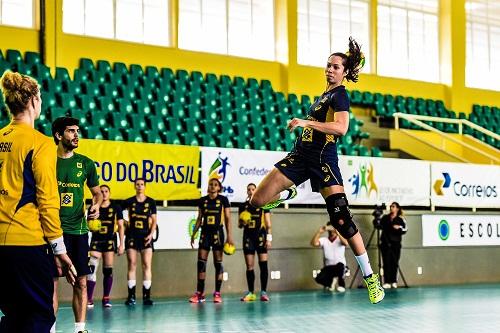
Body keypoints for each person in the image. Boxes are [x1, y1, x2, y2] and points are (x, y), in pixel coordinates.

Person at [249, 37, 385, 304]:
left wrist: (304, 123)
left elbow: (341, 128)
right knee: (257, 201)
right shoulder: (322, 97)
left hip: (323, 160)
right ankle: (288, 193)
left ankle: (371, 278)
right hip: (300, 156)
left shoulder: (340, 94)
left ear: (344, 72)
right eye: (328, 65)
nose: (330, 69)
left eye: (336, 67)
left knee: (341, 219)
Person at [0, 71, 76, 333]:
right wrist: (60, 250)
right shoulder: (40, 144)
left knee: (12, 317)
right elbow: (47, 201)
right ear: (32, 100)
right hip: (26, 244)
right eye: (40, 96)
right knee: (40, 316)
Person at [52, 116, 103, 333]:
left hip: (79, 231)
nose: (76, 135)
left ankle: (79, 329)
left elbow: (97, 192)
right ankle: (50, 329)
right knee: (50, 285)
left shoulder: (86, 163)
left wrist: (96, 206)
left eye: (77, 131)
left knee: (81, 282)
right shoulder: (46, 161)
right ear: (58, 135)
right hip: (52, 232)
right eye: (71, 131)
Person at [189, 178, 234, 303]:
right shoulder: (202, 201)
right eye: (210, 185)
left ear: (219, 188)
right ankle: (200, 293)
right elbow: (199, 219)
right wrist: (194, 234)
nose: (212, 186)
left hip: (218, 234)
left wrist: (230, 236)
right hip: (205, 234)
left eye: (215, 185)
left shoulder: (223, 200)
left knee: (218, 264)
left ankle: (217, 293)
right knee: (201, 263)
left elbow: (228, 219)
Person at [87, 185, 125, 308]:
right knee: (92, 269)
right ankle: (89, 298)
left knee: (107, 270)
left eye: (106, 191)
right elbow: (88, 225)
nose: (103, 193)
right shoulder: (93, 208)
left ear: (109, 193)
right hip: (96, 241)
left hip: (109, 241)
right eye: (101, 191)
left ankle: (106, 298)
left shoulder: (116, 207)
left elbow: (120, 226)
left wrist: (121, 244)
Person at [122, 178, 157, 306]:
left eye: (142, 184)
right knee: (132, 264)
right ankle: (131, 296)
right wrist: (124, 224)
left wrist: (151, 234)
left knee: (146, 265)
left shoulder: (151, 202)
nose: (140, 186)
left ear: (145, 186)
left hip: (146, 236)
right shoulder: (130, 201)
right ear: (134, 186)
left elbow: (154, 221)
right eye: (137, 184)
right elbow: (116, 209)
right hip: (132, 235)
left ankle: (146, 296)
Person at [238, 183, 272, 302]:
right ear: (247, 191)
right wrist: (243, 221)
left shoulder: (264, 205)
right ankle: (251, 292)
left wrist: (269, 238)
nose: (251, 191)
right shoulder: (243, 206)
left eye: (253, 189)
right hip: (248, 238)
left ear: (256, 191)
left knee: (263, 265)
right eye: (249, 189)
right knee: (249, 266)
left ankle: (264, 292)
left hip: (261, 237)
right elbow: (239, 225)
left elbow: (268, 224)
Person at [311, 225, 348, 292]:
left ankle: (341, 285)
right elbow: (314, 243)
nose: (331, 231)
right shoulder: (324, 240)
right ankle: (330, 284)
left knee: (340, 266)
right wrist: (319, 232)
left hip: (340, 266)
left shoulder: (339, 239)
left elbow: (346, 243)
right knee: (318, 278)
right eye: (330, 229)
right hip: (329, 267)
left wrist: (337, 231)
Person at [379, 202, 407, 289]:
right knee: (386, 262)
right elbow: (379, 225)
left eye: (393, 206)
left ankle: (394, 281)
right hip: (385, 243)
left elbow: (405, 229)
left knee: (394, 263)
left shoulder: (400, 219)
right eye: (391, 206)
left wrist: (398, 227)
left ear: (397, 208)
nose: (391, 208)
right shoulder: (385, 218)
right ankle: (387, 281)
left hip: (395, 244)